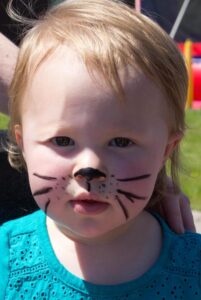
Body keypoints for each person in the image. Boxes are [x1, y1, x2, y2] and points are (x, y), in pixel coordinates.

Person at [0, 0, 200, 298]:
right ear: (23, 142)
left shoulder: (193, 268)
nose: (89, 168)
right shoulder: (7, 259)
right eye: (63, 141)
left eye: (121, 142)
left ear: (166, 149)